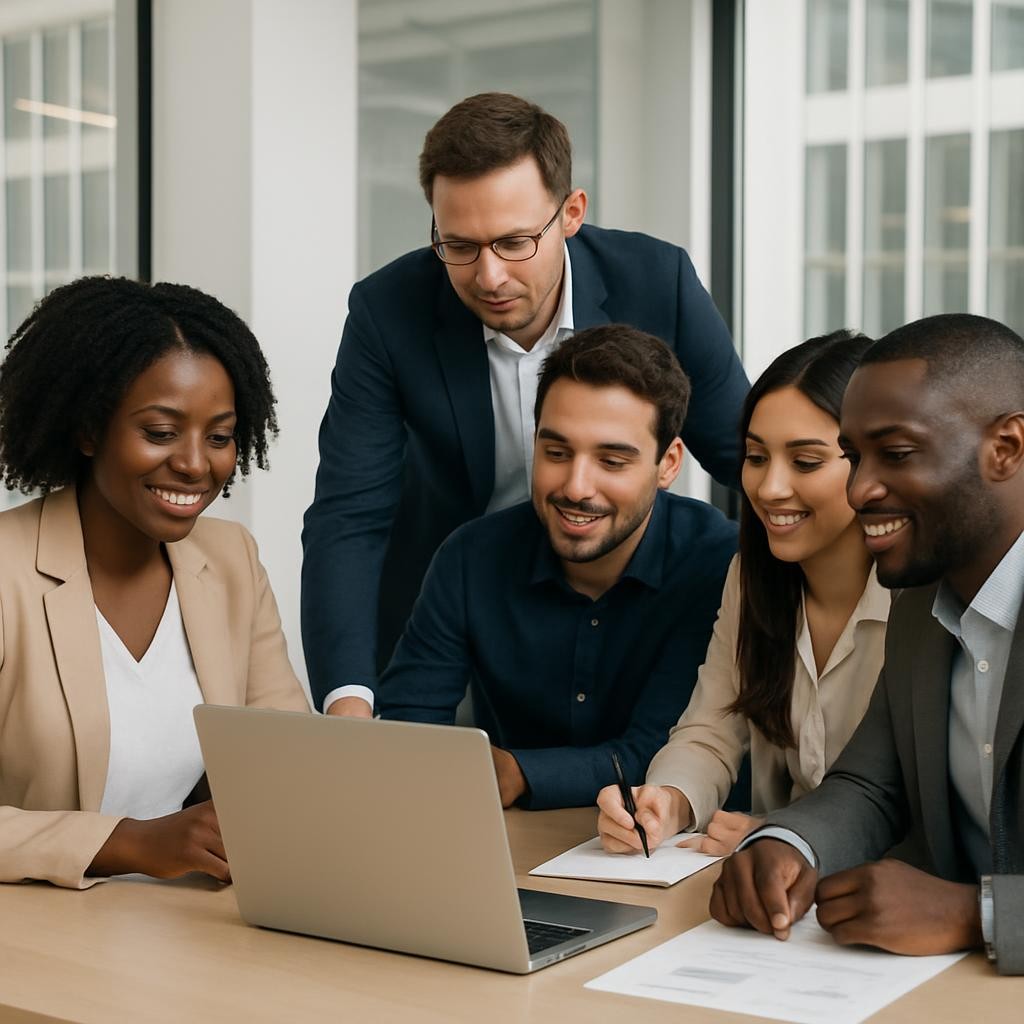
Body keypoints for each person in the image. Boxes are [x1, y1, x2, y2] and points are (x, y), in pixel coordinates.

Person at [302, 92, 749, 720]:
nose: (487, 277)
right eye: (458, 245)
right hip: (451, 609)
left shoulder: (657, 281)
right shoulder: (387, 310)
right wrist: (347, 698)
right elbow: (350, 516)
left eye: (514, 242)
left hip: (619, 600)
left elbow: (748, 459)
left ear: (571, 213)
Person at [711, 314, 1024, 975]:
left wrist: (978, 915)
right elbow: (870, 785)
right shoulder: (919, 606)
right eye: (853, 457)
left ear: (1008, 447)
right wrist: (788, 843)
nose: (859, 491)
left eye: (898, 454)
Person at [0, 276, 309, 890]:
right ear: (89, 430)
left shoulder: (231, 560)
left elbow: (290, 762)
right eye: (161, 432)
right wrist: (131, 842)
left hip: (195, 927)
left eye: (219, 437)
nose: (196, 464)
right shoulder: (7, 574)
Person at [375, 324, 737, 810]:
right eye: (556, 452)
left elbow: (664, 750)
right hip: (506, 849)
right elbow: (408, 730)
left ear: (668, 463)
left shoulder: (718, 564)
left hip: (674, 854)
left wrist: (519, 773)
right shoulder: (470, 556)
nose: (576, 486)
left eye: (611, 461)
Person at [596, 331, 886, 856]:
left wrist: (788, 835)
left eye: (806, 462)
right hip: (780, 889)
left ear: (869, 463)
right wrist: (667, 800)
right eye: (756, 456)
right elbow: (711, 729)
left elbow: (918, 804)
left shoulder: (922, 597)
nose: (770, 488)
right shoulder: (750, 578)